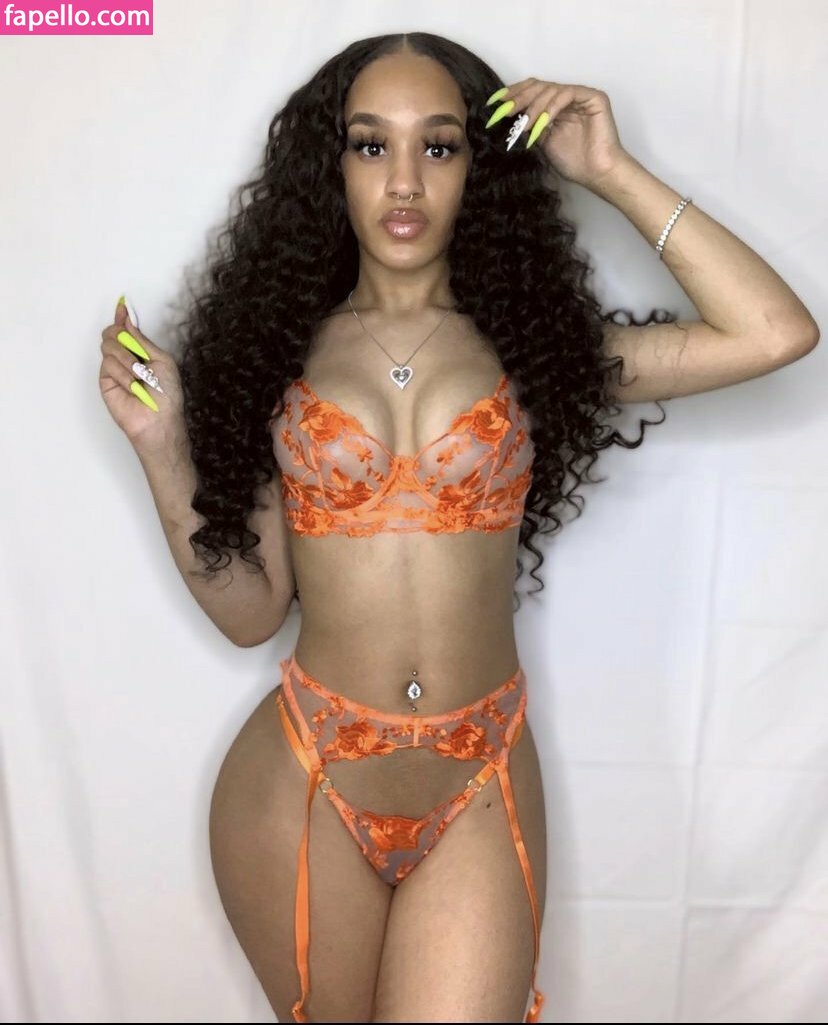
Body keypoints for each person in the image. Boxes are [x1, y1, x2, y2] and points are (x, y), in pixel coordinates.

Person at [98, 31, 819, 1025]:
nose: (404, 181)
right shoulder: (274, 354)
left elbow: (775, 331)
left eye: (438, 146)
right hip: (304, 773)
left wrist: (611, 171)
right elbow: (250, 612)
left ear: (483, 166)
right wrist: (160, 444)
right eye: (370, 145)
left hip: (480, 773)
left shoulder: (542, 348)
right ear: (331, 166)